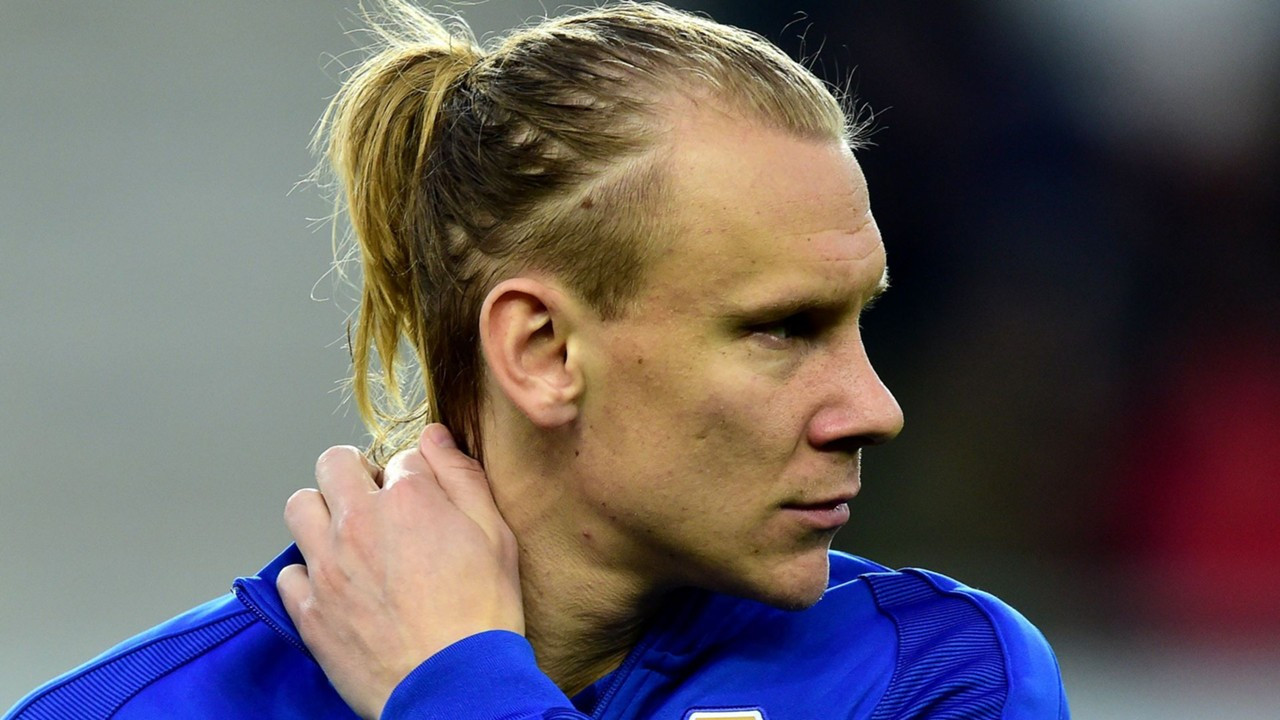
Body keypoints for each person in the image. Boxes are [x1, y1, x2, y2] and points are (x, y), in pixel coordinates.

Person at [4, 2, 1069, 718]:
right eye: (782, 329)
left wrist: (455, 689)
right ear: (543, 350)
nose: (874, 408)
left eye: (858, 320)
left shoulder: (935, 678)